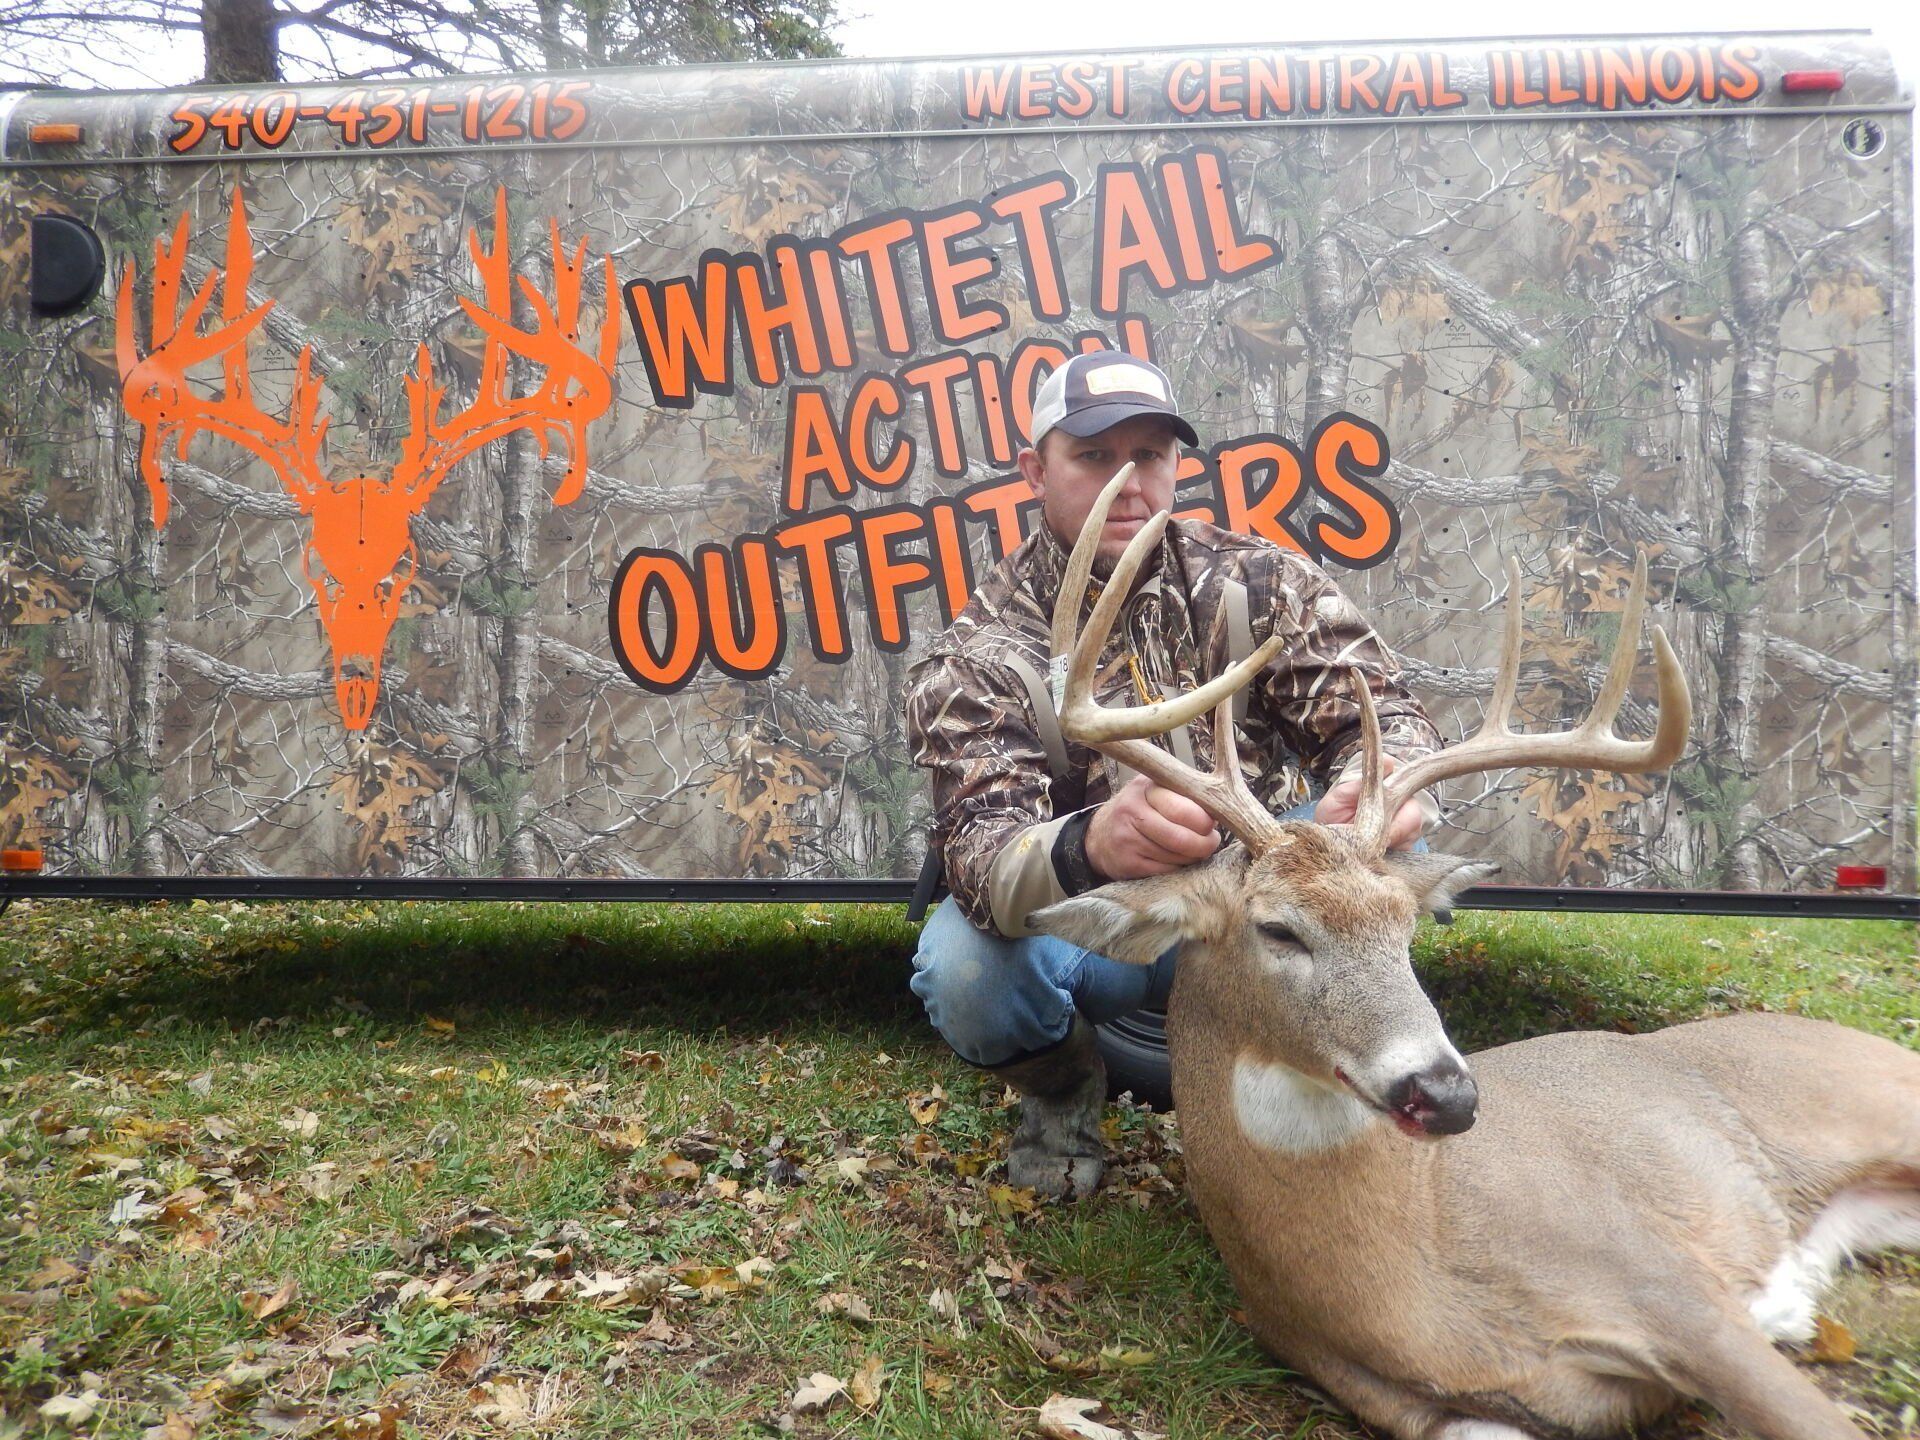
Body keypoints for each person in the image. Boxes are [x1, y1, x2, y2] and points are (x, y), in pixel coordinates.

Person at [902, 351, 1443, 1200]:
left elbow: (1384, 714)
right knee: (966, 971)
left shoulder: (1259, 580)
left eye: (1150, 455)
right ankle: (1062, 1090)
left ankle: (1339, 1076)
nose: (1128, 482)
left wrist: (1382, 787)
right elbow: (980, 860)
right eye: (1092, 457)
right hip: (1130, 925)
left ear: (1178, 466)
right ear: (1033, 471)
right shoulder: (977, 654)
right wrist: (1093, 845)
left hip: (1262, 901)